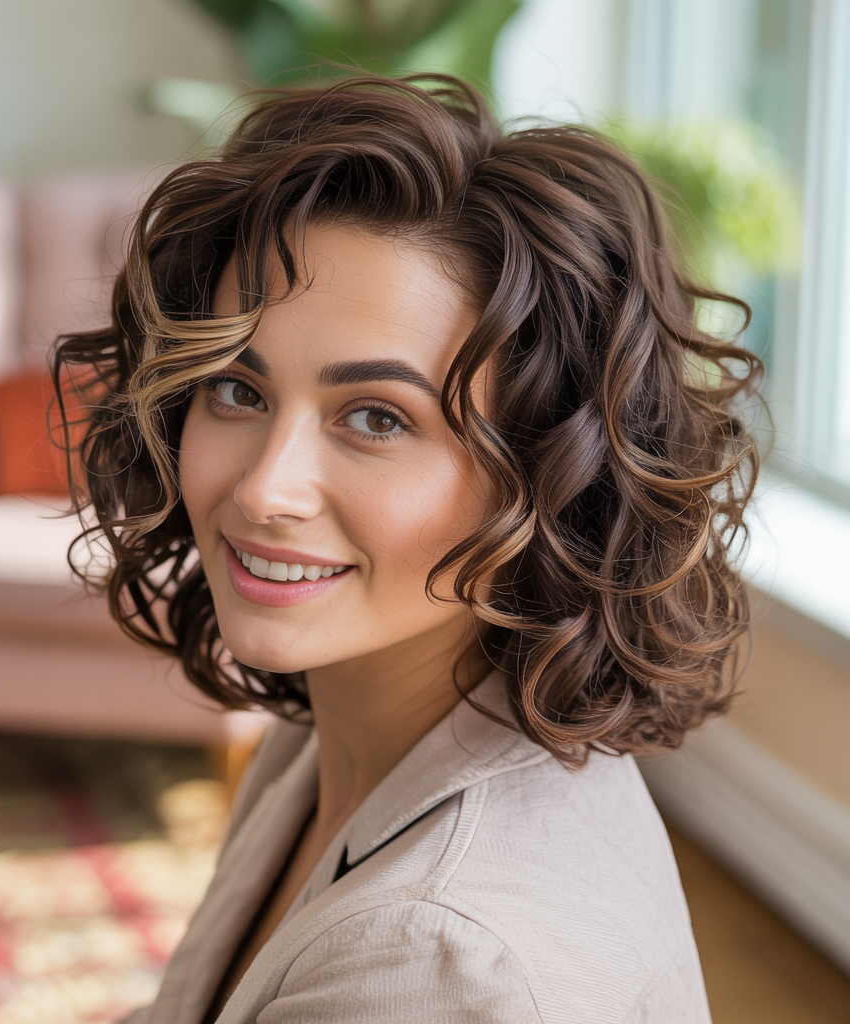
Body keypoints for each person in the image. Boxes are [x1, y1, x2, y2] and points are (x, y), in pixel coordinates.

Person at [56, 74, 760, 1023]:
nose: (264, 487)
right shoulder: (340, 725)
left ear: (551, 474)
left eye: (377, 418)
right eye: (237, 389)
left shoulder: (443, 964)